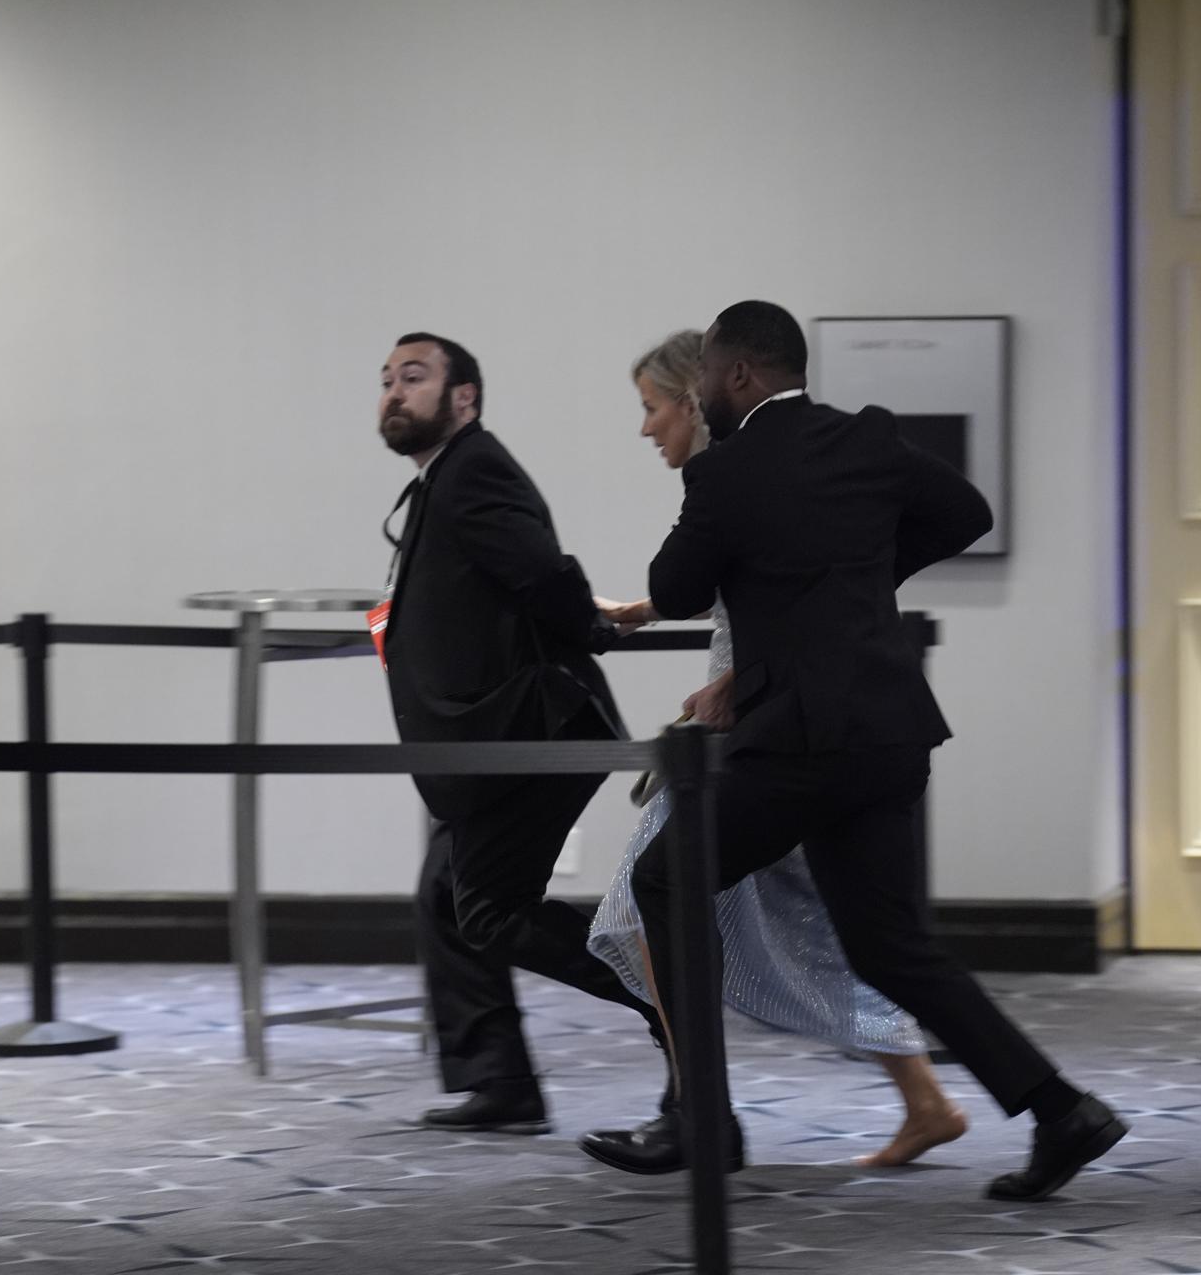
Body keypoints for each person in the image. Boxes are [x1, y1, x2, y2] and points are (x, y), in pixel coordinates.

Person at [578, 303, 1128, 1202]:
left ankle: (703, 1117)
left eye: (707, 374)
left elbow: (674, 588)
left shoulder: (728, 469)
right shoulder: (865, 437)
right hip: (890, 731)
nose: (702, 392)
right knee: (891, 948)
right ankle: (1064, 1112)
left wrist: (783, 573)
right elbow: (966, 512)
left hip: (799, 745)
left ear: (739, 374)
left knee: (664, 881)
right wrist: (863, 576)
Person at [589, 330, 967, 1168]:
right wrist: (650, 613)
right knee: (817, 929)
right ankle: (919, 1100)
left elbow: (770, 594)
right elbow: (754, 590)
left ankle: (698, 1116)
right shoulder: (764, 470)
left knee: (648, 907)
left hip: (773, 734)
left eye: (652, 408)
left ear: (695, 399)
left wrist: (739, 678)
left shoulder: (734, 473)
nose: (646, 428)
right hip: (785, 724)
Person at [376, 331, 667, 1135]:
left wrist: (592, 626)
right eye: (387, 380)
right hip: (495, 737)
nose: (394, 393)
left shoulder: (475, 469)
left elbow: (541, 571)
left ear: (463, 397)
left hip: (533, 731)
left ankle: (667, 992)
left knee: (489, 909)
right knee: (449, 898)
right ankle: (501, 1081)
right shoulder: (443, 479)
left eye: (413, 378)